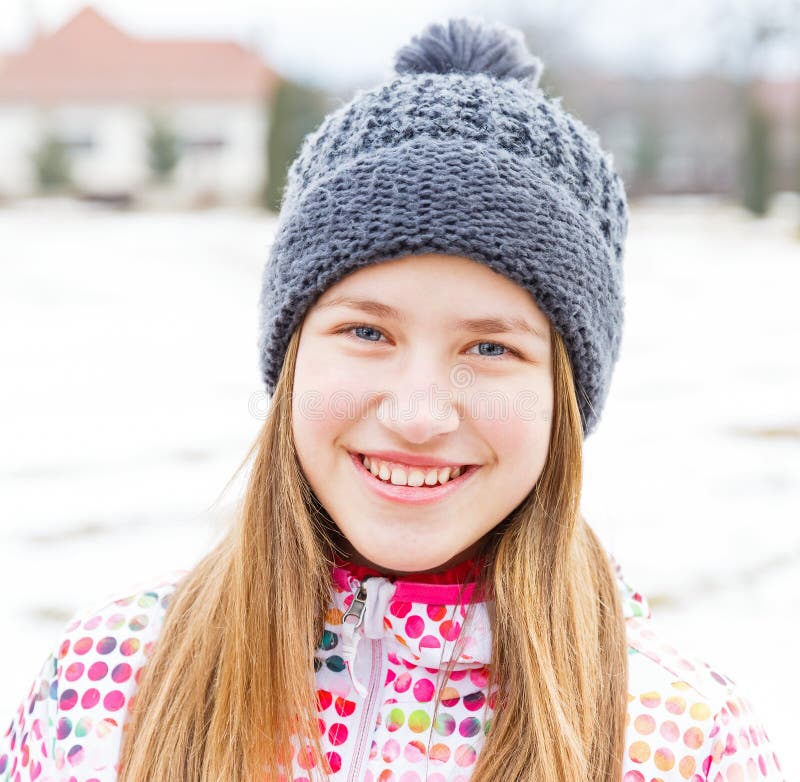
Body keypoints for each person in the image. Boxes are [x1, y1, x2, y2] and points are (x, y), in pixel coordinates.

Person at [0, 16, 785, 782]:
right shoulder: (106, 683)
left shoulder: (684, 739)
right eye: (368, 334)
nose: (418, 415)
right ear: (293, 356)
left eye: (490, 348)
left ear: (565, 396)